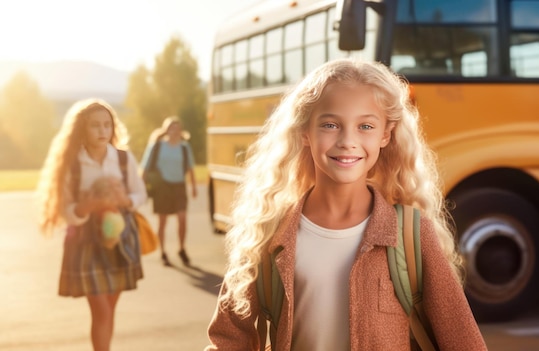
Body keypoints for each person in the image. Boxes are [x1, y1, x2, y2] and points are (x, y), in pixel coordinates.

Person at [206, 59, 487, 350]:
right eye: (330, 124)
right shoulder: (268, 232)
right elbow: (227, 340)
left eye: (365, 126)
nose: (347, 141)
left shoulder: (412, 235)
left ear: (385, 135)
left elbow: (464, 342)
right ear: (305, 132)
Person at [36, 98, 147, 351]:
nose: (103, 131)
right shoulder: (73, 163)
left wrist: (124, 199)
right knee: (101, 311)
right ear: (82, 131)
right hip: (85, 241)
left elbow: (140, 195)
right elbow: (66, 209)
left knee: (109, 310)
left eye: (107, 125)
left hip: (121, 237)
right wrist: (87, 206)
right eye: (95, 125)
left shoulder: (122, 159)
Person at [140, 116, 197, 266]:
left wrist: (194, 187)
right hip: (162, 186)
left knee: (182, 218)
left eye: (177, 128)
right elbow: (145, 167)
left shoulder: (184, 147)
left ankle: (181, 248)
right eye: (171, 128)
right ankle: (163, 251)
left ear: (180, 130)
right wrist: (141, 186)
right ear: (166, 130)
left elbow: (191, 168)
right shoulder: (157, 146)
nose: (174, 131)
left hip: (179, 185)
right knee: (163, 221)